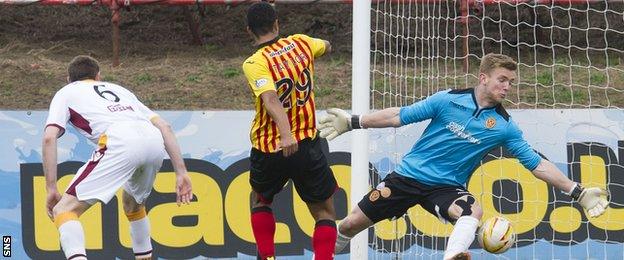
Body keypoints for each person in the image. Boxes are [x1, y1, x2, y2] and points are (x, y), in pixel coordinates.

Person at [319, 53, 610, 260]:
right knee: (349, 225)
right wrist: (356, 121)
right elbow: (399, 116)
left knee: (473, 211)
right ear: (483, 78)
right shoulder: (447, 100)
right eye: (502, 79)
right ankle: (331, 250)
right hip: (408, 176)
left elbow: (536, 164)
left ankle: (455, 255)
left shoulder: (505, 127)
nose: (507, 86)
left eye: (510, 81)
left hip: (446, 188)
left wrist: (577, 191)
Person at [42, 55, 193, 260]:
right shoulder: (121, 90)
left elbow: (50, 138)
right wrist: (181, 172)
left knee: (64, 210)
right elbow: (164, 126)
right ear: (98, 76)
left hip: (120, 140)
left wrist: (51, 188)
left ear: (68, 79)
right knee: (134, 204)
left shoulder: (66, 92)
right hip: (153, 139)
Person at [242, 2, 338, 260]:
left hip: (270, 145)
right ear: (277, 24)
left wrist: (285, 134)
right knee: (325, 213)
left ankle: (267, 257)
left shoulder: (254, 62)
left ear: (249, 30)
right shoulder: (302, 43)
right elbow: (327, 46)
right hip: (306, 144)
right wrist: (323, 48)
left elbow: (270, 98)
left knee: (261, 201)